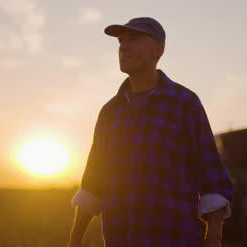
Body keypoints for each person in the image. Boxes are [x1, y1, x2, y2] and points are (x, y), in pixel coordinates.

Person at [67, 17, 234, 247]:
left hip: (175, 240)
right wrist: (74, 240)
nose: (123, 46)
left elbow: (211, 176)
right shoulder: (110, 112)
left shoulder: (185, 103)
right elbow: (93, 181)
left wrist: (214, 237)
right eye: (121, 41)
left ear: (157, 50)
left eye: (133, 39)